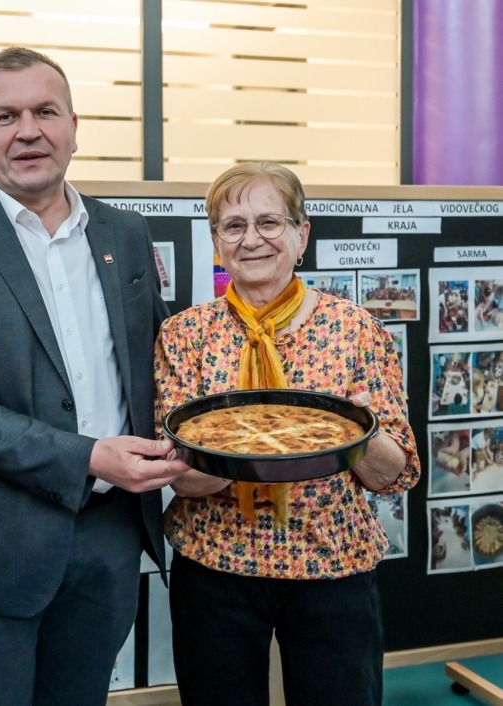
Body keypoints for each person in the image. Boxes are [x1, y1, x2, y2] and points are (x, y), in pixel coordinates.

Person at [0, 46, 188, 706]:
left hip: (110, 542)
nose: (27, 130)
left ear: (72, 125)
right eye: (5, 116)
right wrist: (90, 456)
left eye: (44, 111)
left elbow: (157, 367)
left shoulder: (127, 234)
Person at [154, 162, 420, 706]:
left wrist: (358, 431)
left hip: (332, 565)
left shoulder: (356, 330)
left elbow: (396, 474)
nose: (252, 239)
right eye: (233, 226)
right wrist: (267, 449)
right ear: (216, 242)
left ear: (302, 235)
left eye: (270, 222)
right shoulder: (184, 335)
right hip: (215, 568)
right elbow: (185, 480)